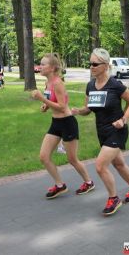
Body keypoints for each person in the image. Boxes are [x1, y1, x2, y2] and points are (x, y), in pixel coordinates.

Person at [72, 48, 129, 216]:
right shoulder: (90, 86)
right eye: (90, 64)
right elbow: (88, 109)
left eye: (95, 64)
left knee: (100, 166)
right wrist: (77, 111)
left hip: (117, 130)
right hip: (102, 132)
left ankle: (114, 198)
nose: (91, 67)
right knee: (118, 164)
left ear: (105, 65)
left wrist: (123, 120)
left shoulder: (115, 85)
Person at [31, 53, 95, 199]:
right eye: (40, 63)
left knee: (72, 159)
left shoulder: (58, 83)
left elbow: (61, 106)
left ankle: (89, 182)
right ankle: (60, 185)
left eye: (43, 64)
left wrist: (42, 98)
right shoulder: (48, 82)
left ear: (52, 68)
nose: (40, 66)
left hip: (67, 123)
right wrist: (45, 106)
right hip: (56, 123)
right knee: (44, 156)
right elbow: (50, 100)